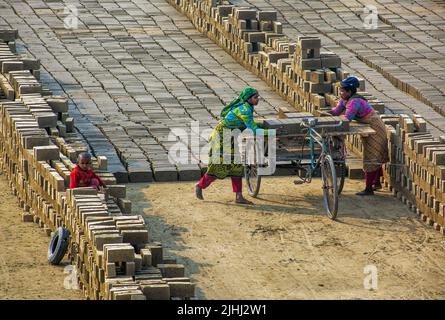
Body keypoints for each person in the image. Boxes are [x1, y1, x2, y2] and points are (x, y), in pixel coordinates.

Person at [195, 87, 268, 204]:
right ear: (248, 99)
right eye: (255, 97)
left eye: (258, 96)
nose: (258, 99)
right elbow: (253, 129)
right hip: (222, 136)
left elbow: (250, 124)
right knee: (219, 166)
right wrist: (271, 132)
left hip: (231, 137)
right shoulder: (244, 110)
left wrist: (264, 126)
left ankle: (239, 196)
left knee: (237, 166)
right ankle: (200, 185)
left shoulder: (248, 107)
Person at [329, 76, 388, 196]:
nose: (340, 93)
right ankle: (376, 183)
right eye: (340, 90)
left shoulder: (354, 102)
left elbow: (347, 118)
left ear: (350, 91)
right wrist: (325, 114)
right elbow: (336, 111)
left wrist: (334, 124)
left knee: (371, 157)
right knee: (374, 155)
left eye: (343, 91)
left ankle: (368, 189)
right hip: (368, 125)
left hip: (375, 127)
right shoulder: (345, 100)